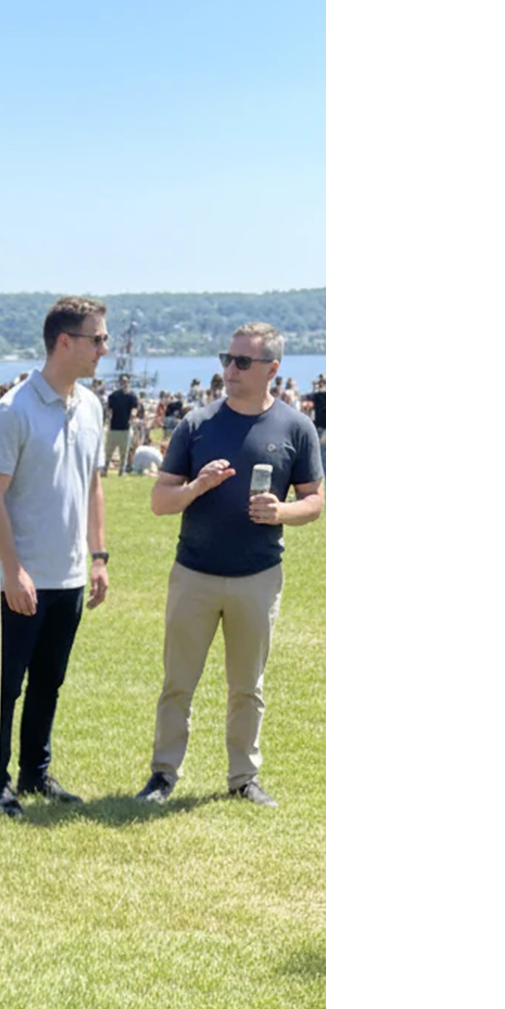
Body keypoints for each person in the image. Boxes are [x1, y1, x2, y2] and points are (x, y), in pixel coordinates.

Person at [135, 323, 324, 806]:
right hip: (194, 573)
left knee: (247, 687)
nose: (230, 370)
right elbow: (160, 501)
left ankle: (243, 778)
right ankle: (163, 775)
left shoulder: (296, 428)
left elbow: (315, 501)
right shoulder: (197, 424)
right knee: (178, 683)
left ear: (272, 369)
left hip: (258, 576)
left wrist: (281, 512)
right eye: (227, 358)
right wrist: (197, 486)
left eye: (242, 361)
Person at [0, 295, 109, 817]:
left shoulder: (91, 406)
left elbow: (93, 485)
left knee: (48, 682)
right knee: (6, 686)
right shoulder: (13, 411)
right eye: (97, 339)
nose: (104, 348)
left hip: (69, 577)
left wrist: (98, 557)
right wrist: (12, 571)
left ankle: (36, 771)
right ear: (65, 342)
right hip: (20, 578)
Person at [103, 373, 141, 475]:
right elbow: (109, 410)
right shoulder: (113, 396)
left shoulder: (132, 396)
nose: (124, 384)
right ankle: (105, 469)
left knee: (124, 452)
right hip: (113, 427)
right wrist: (107, 421)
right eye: (122, 382)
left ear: (128, 383)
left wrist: (132, 417)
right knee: (108, 450)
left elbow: (134, 409)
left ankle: (121, 471)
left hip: (126, 428)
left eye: (126, 382)